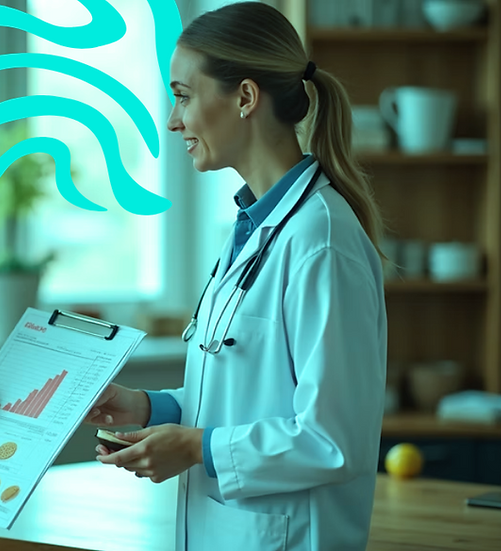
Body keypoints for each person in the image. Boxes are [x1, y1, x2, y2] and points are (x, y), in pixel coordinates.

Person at [85, 3, 388, 550]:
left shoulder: (320, 241)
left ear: (245, 97)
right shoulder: (254, 227)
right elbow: (250, 396)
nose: (173, 120)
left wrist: (196, 447)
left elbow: (333, 439)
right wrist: (151, 407)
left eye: (183, 96)